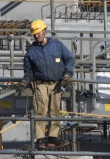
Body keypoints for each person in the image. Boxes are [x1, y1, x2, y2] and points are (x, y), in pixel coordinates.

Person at [14, 19, 74, 150]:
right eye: (34, 34)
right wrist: (25, 81)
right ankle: (40, 138)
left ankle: (53, 137)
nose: (36, 35)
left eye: (38, 32)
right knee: (40, 111)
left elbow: (69, 59)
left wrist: (68, 74)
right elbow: (28, 71)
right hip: (40, 84)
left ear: (44, 31)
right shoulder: (31, 52)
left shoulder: (57, 45)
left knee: (55, 111)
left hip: (57, 84)